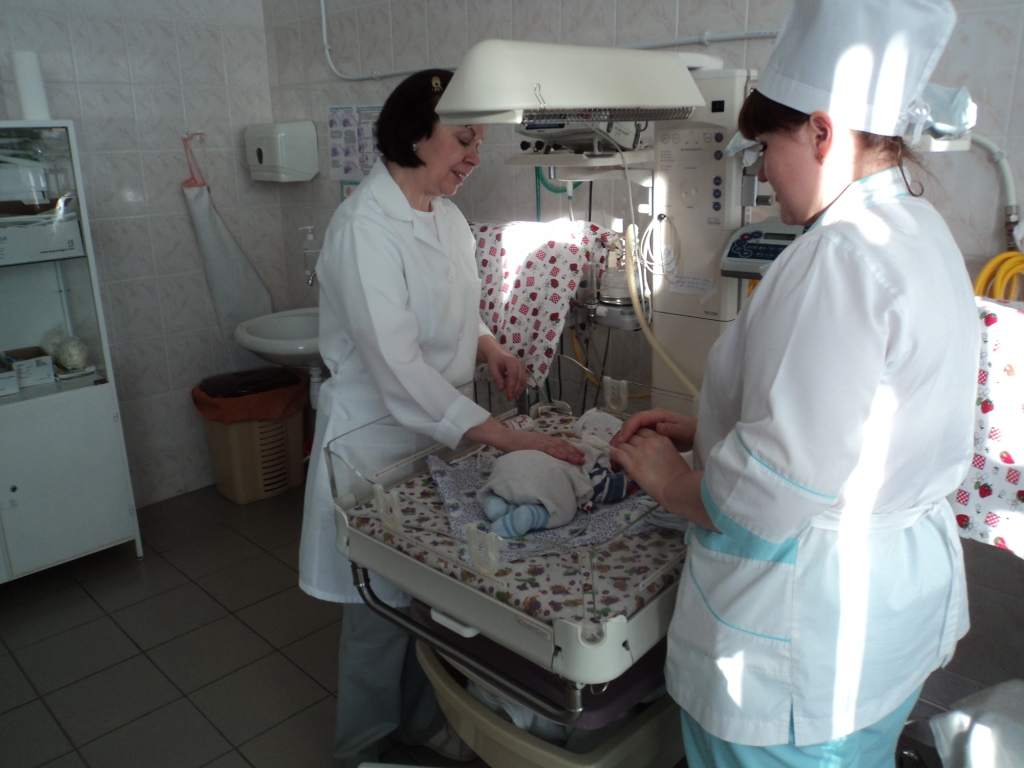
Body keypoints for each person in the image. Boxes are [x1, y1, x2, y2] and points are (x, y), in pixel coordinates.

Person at [610, 1, 979, 766]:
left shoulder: (841, 256)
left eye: (766, 150)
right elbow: (852, 424)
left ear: (821, 132)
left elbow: (776, 486)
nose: (764, 173)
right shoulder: (921, 230)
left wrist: (673, 483)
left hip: (799, 643)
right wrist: (710, 432)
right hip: (888, 616)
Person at [299, 69, 583, 767]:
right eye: (463, 140)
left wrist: (491, 347)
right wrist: (504, 435)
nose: (474, 157)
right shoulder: (364, 230)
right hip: (373, 443)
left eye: (477, 141)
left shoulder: (446, 217)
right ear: (415, 135)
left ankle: (421, 726)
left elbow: (460, 306)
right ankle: (362, 746)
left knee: (428, 599)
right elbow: (398, 367)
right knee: (377, 610)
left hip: (438, 435)